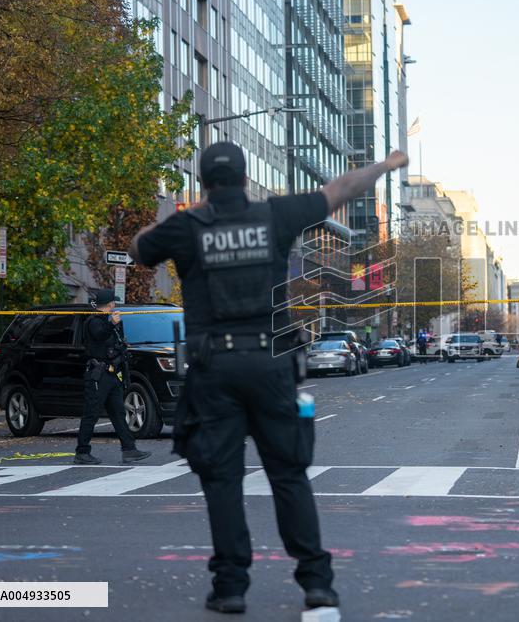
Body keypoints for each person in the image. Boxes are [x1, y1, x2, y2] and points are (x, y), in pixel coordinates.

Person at [129, 141, 408, 615]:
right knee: (288, 474)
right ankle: (317, 583)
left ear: (204, 181)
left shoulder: (187, 226)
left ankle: (231, 587)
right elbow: (339, 189)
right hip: (271, 363)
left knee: (222, 480)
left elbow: (139, 250)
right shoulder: (275, 216)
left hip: (214, 369)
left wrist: (185, 216)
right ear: (243, 179)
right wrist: (385, 165)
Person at [74, 288, 152, 465]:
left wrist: (118, 328)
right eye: (113, 303)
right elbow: (100, 335)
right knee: (91, 414)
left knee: (118, 413)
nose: (115, 305)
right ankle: (82, 452)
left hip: (111, 375)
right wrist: (112, 324)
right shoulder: (93, 322)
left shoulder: (109, 322)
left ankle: (129, 449)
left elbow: (116, 345)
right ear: (110, 304)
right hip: (98, 375)